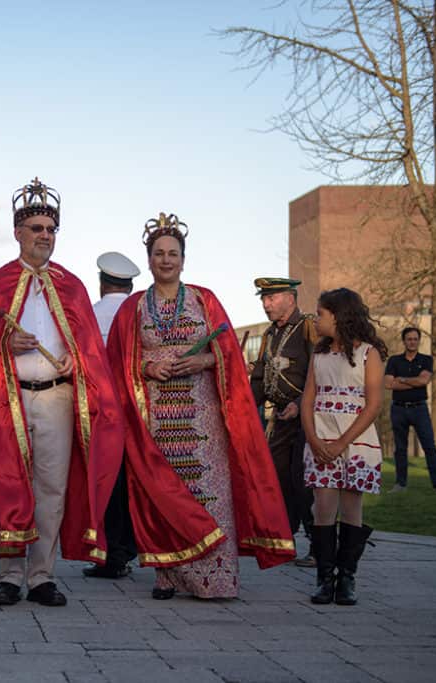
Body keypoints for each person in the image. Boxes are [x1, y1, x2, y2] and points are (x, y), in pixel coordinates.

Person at [106, 213, 295, 601]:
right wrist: (148, 366)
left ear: (184, 259)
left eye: (173, 253)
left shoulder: (204, 299)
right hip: (157, 415)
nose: (166, 260)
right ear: (149, 259)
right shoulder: (134, 308)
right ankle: (167, 574)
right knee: (164, 492)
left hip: (203, 413)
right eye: (159, 253)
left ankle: (217, 577)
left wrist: (204, 361)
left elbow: (228, 353)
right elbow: (118, 360)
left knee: (208, 490)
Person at [0, 177, 125, 607]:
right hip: (9, 399)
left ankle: (42, 575)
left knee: (52, 487)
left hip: (57, 396)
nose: (44, 236)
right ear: (18, 233)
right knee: (6, 483)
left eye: (50, 230)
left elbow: (89, 345)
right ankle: (8, 575)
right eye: (36, 229)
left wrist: (78, 361)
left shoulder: (72, 286)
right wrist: (2, 343)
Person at [301, 288, 386, 605]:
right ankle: (325, 578)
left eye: (320, 313)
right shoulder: (319, 355)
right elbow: (308, 399)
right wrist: (313, 437)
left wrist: (341, 443)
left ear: (337, 315)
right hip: (321, 439)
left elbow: (373, 404)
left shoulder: (368, 354)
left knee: (351, 508)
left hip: (355, 441)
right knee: (323, 508)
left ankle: (347, 578)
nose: (316, 318)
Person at [249, 277, 317, 567]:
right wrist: (247, 412)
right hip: (278, 418)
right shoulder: (268, 335)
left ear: (290, 298)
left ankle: (319, 545)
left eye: (272, 298)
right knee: (277, 480)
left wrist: (300, 405)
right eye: (263, 299)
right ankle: (283, 540)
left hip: (307, 418)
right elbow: (260, 379)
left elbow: (321, 373)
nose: (266, 304)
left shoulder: (309, 328)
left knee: (304, 482)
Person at [83, 251, 140, 579]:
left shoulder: (92, 315)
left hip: (103, 410)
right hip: (140, 409)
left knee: (109, 480)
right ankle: (134, 547)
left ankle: (111, 553)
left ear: (102, 282)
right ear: (130, 285)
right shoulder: (140, 313)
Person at [385, 327, 436, 494]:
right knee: (400, 448)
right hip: (399, 409)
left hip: (419, 408)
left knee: (429, 446)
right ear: (404, 341)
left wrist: (401, 379)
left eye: (415, 339)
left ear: (419, 341)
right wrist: (413, 381)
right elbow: (388, 384)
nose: (412, 342)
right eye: (409, 339)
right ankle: (400, 484)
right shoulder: (394, 360)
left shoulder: (426, 360)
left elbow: (424, 381)